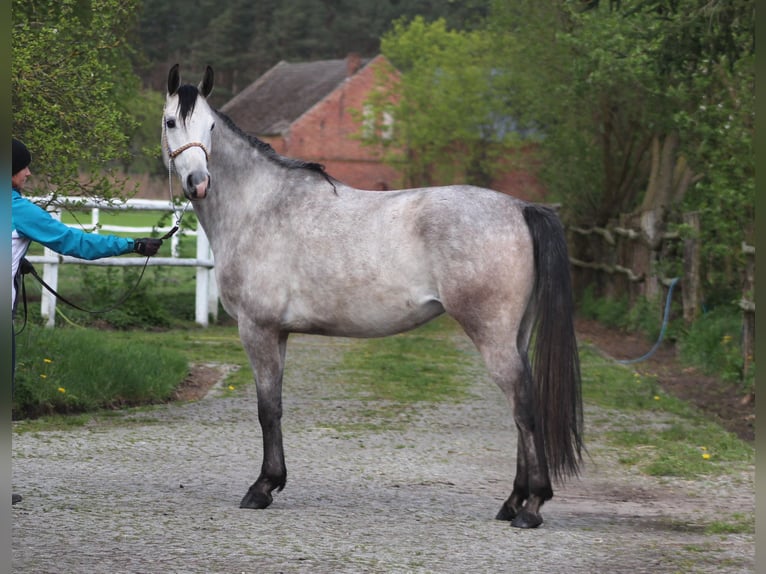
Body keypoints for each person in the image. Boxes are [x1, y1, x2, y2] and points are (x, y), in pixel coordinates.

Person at [11, 137, 163, 505]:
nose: (29, 173)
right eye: (23, 167)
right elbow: (75, 243)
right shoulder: (18, 210)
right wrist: (133, 245)